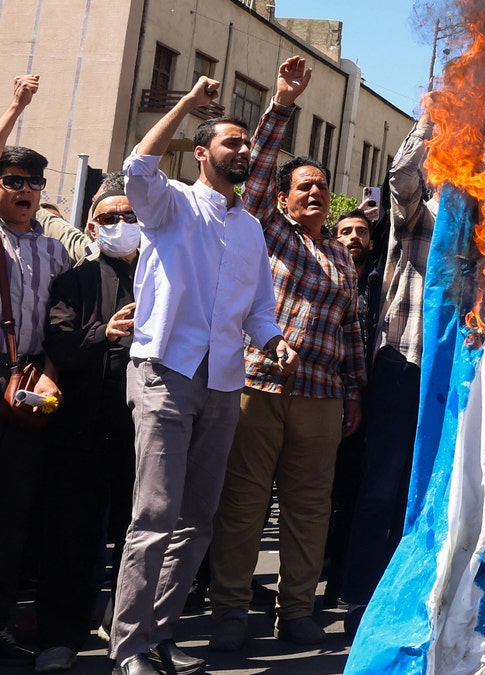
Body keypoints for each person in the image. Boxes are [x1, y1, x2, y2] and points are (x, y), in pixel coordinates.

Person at [108, 74, 297, 675]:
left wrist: (275, 341)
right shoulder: (170, 204)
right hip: (165, 370)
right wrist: (188, 103)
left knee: (196, 519)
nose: (242, 151)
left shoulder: (251, 229)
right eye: (230, 143)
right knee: (155, 514)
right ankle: (128, 650)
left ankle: (159, 638)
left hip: (224, 382)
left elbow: (260, 309)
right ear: (201, 152)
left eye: (247, 144)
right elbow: (138, 166)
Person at [207, 56, 366, 651]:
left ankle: (296, 609)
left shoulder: (343, 258)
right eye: (306, 186)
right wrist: (283, 101)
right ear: (283, 198)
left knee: (308, 506)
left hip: (323, 397)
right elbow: (265, 159)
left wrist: (354, 395)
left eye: (324, 187)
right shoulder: (268, 230)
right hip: (259, 384)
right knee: (244, 500)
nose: (318, 193)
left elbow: (351, 331)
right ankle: (228, 607)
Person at [35, 175, 140, 672]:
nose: (121, 225)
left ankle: (129, 637)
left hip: (142, 433)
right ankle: (59, 637)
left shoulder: (162, 275)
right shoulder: (73, 281)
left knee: (137, 538)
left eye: (129, 216)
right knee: (71, 537)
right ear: (92, 227)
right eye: (109, 218)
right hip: (79, 429)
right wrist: (106, 331)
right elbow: (58, 343)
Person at [339, 106, 435, 639]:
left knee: (430, 491)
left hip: (457, 373)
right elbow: (401, 177)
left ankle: (415, 600)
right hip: (404, 361)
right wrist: (432, 119)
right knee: (381, 488)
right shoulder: (419, 213)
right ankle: (359, 601)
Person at [0, 73, 70, 668]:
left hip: (28, 388)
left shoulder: (55, 250)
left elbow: (67, 322)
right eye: (14, 180)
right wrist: (17, 107)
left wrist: (47, 371)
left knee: (16, 511)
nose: (26, 191)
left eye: (34, 184)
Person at [323, 209, 381, 608]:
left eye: (362, 231)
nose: (354, 237)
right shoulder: (324, 279)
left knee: (354, 492)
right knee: (319, 494)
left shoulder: (381, 284)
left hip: (368, 402)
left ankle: (342, 579)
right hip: (324, 394)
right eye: (345, 231)